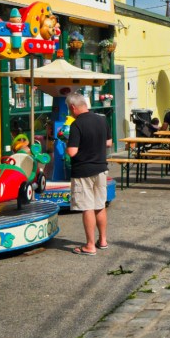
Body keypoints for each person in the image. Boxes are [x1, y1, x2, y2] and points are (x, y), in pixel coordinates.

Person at [65, 92, 111, 255]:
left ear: (73, 107)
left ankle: (90, 245)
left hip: (83, 171)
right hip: (101, 168)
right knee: (100, 206)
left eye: (69, 109)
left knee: (87, 208)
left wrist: (66, 142)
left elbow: (71, 152)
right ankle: (103, 240)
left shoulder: (76, 125)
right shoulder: (102, 119)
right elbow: (108, 143)